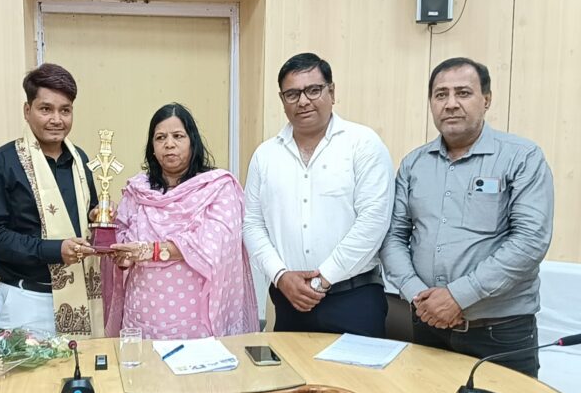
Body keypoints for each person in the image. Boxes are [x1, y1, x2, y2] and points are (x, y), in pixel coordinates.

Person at [380, 57, 553, 376]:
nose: (450, 104)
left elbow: (530, 242)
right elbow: (393, 236)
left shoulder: (522, 157)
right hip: (427, 325)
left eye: (463, 93)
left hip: (499, 332)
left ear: (486, 99)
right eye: (440, 94)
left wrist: (458, 297)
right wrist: (417, 295)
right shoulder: (414, 164)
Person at [243, 53, 394, 337]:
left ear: (331, 92)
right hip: (289, 300)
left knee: (355, 370)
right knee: (290, 368)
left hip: (354, 299)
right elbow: (252, 223)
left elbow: (373, 221)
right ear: (282, 100)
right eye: (292, 94)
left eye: (313, 90)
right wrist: (280, 275)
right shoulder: (265, 155)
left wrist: (322, 279)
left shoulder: (362, 144)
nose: (303, 101)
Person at [106, 103, 259, 339]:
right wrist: (118, 249)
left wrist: (150, 251)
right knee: (142, 363)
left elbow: (213, 245)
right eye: (160, 137)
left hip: (196, 317)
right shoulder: (137, 190)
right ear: (152, 147)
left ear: (192, 142)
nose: (169, 144)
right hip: (142, 313)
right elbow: (121, 242)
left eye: (178, 136)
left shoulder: (217, 187)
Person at [0, 63, 107, 338]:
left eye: (65, 110)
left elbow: (88, 214)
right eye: (46, 109)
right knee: (27, 369)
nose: (56, 119)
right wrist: (53, 250)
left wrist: (100, 215)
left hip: (82, 293)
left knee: (82, 366)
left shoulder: (80, 160)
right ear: (27, 110)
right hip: (27, 300)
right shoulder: (1, 164)